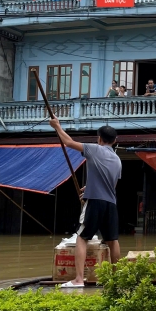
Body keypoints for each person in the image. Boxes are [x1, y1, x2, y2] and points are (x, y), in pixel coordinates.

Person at [49, 117, 122, 287]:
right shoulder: (118, 160)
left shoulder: (95, 149)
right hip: (111, 203)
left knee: (82, 238)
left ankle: (79, 279)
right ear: (115, 141)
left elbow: (68, 142)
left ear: (99, 139)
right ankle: (117, 278)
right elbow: (113, 185)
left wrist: (57, 126)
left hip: (95, 202)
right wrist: (90, 186)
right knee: (112, 241)